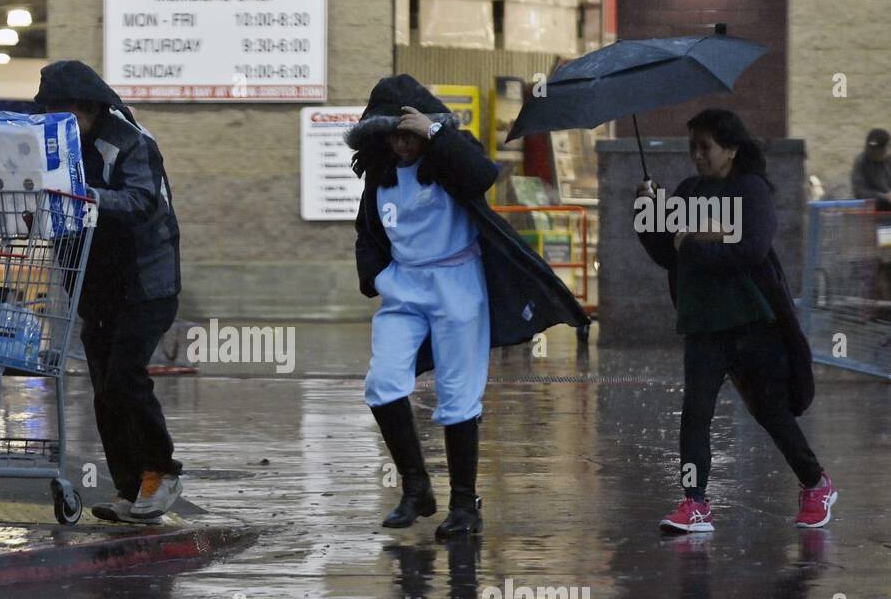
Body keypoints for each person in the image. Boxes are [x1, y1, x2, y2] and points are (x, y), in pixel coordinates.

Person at [348, 75, 588, 540]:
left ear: (425, 128)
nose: (401, 144)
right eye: (392, 135)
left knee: (458, 395)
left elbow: (482, 176)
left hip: (458, 285)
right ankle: (416, 488)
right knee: (383, 381)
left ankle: (464, 504)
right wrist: (377, 278)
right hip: (403, 287)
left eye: (409, 133)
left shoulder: (449, 162)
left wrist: (437, 134)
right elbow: (367, 234)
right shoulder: (378, 175)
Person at [635, 108, 837, 531]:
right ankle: (695, 503)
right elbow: (666, 253)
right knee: (695, 413)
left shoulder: (751, 191)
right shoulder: (689, 191)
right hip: (704, 323)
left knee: (771, 412)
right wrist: (647, 212)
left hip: (752, 322)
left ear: (730, 148)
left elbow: (752, 249)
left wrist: (692, 243)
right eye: (692, 147)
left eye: (705, 147)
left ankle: (816, 483)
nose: (697, 156)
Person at [33, 60, 184, 523]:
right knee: (103, 389)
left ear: (86, 107)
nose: (57, 122)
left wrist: (86, 197)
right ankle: (131, 488)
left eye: (64, 112)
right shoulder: (58, 146)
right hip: (94, 282)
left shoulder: (131, 143)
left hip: (145, 283)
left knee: (124, 379)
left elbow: (143, 202)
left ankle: (162, 472)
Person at [850, 127, 891, 208]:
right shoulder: (861, 161)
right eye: (871, 150)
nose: (873, 153)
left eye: (878, 151)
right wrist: (885, 197)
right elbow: (859, 191)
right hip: (873, 208)